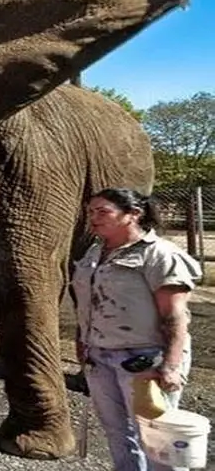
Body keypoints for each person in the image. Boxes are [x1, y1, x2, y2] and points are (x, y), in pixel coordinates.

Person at [71, 187, 201, 471]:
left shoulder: (159, 255)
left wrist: (171, 365)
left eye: (103, 211)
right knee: (117, 433)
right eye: (91, 212)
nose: (93, 218)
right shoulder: (95, 253)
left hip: (145, 360)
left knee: (156, 437)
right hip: (100, 358)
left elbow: (175, 316)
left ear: (133, 215)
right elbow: (86, 305)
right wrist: (81, 342)